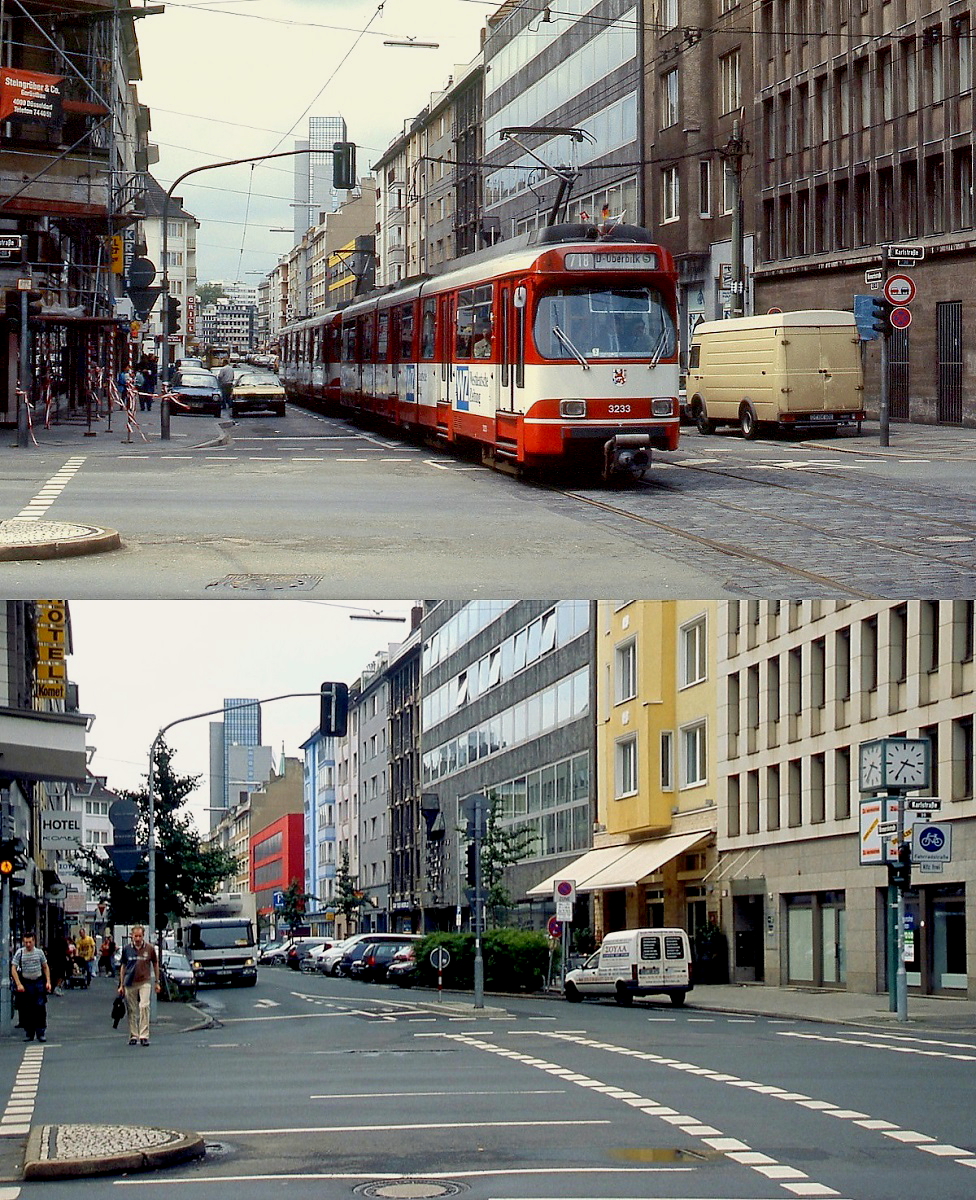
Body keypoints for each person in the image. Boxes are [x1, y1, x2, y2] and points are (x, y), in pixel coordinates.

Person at [118, 925, 161, 1047]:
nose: (137, 938)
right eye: (135, 936)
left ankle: (144, 1035)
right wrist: (121, 985)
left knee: (144, 1006)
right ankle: (133, 1035)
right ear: (131, 936)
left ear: (143, 936)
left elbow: (155, 963)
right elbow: (123, 967)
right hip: (129, 982)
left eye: (140, 936)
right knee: (132, 1010)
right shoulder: (126, 949)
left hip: (144, 981)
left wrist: (157, 982)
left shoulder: (150, 949)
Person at [11, 932, 51, 1042]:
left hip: (38, 982)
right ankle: (29, 1033)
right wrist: (19, 984)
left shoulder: (39, 953)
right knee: (27, 1009)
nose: (28, 944)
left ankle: (41, 1032)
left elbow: (45, 967)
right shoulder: (20, 953)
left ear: (34, 941)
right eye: (26, 942)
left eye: (30, 942)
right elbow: (13, 968)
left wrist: (48, 982)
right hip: (26, 983)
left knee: (40, 1008)